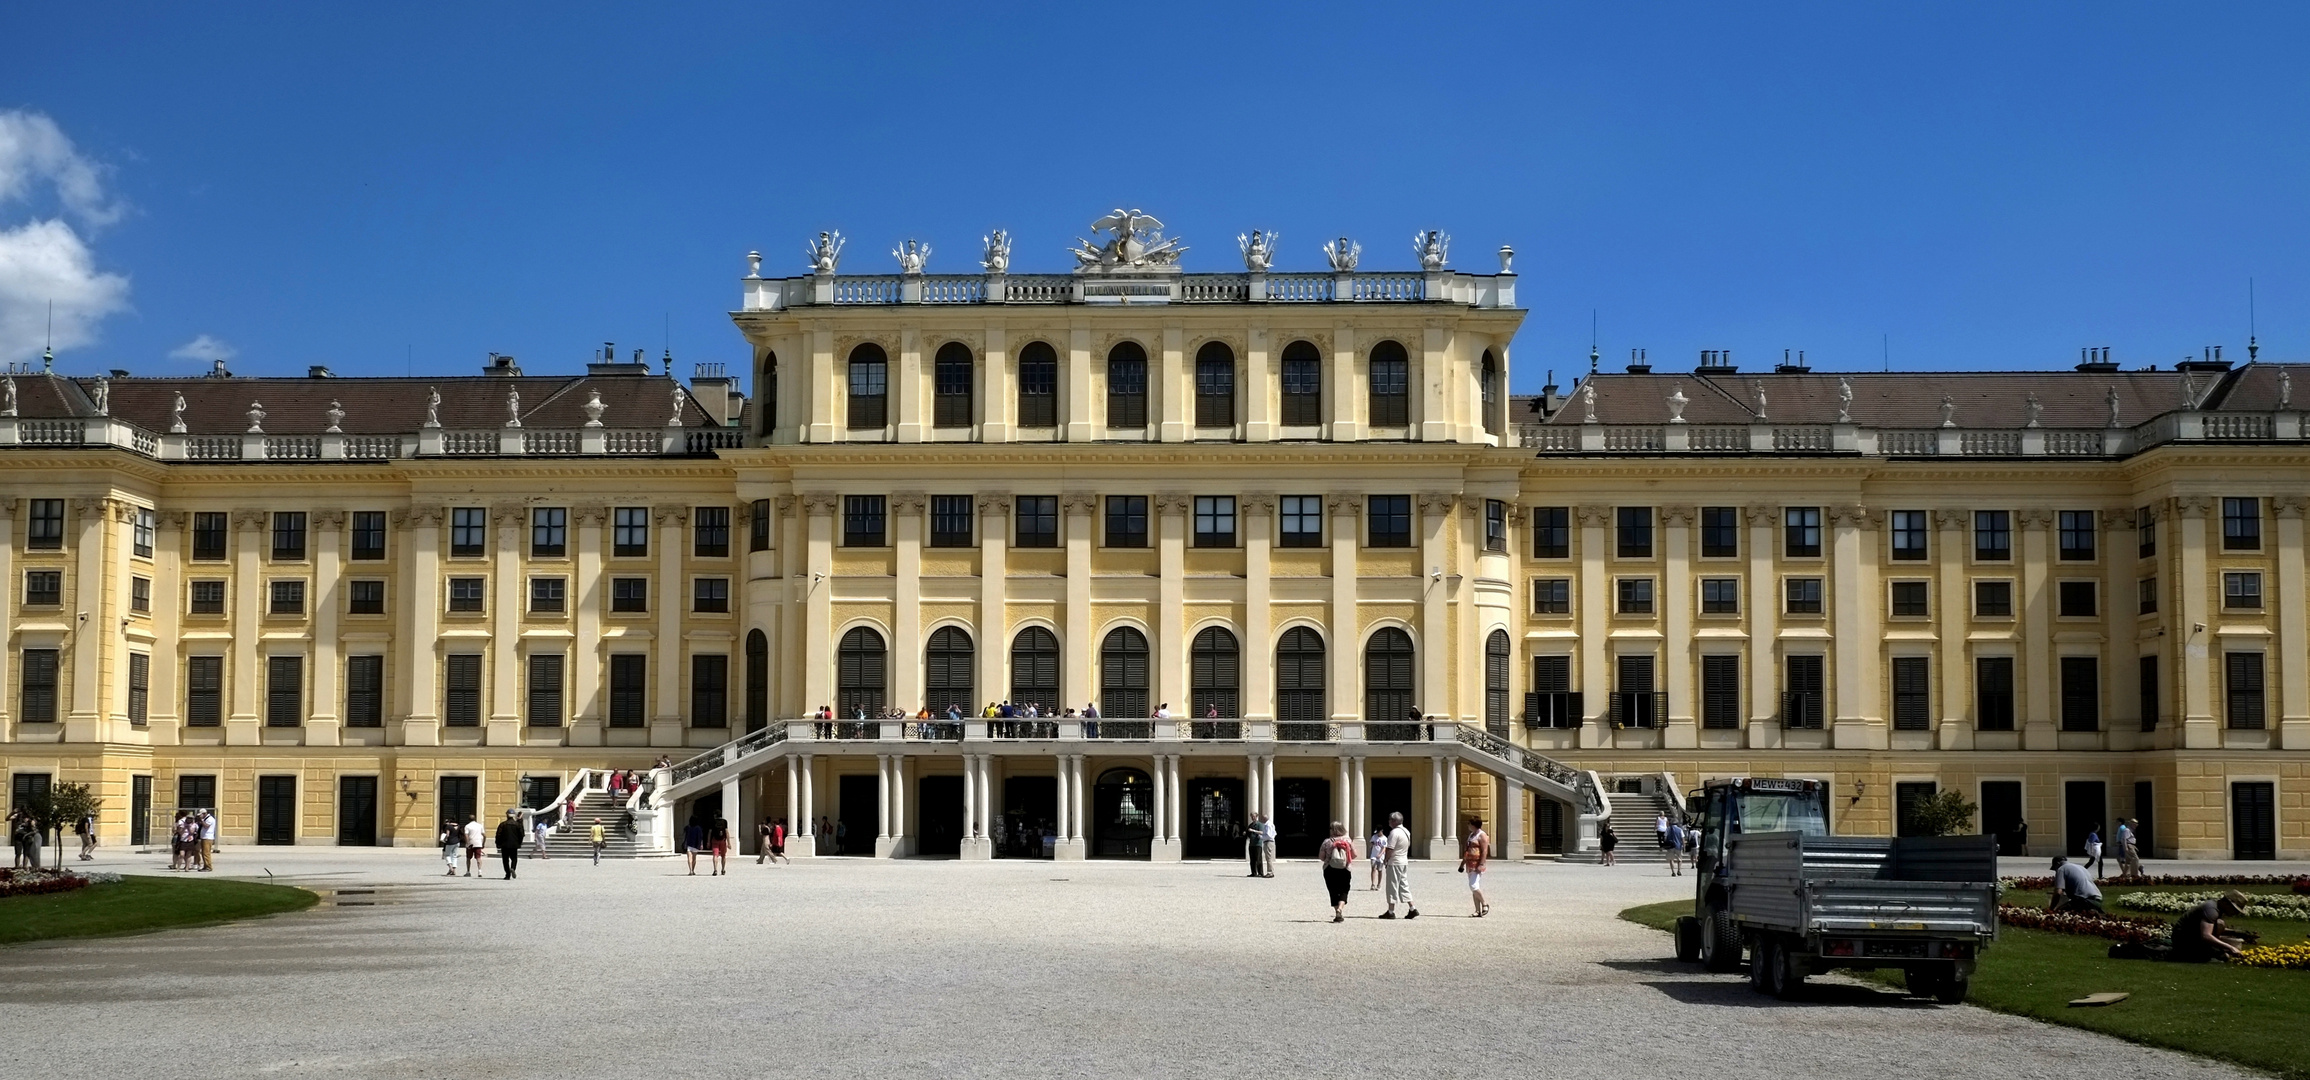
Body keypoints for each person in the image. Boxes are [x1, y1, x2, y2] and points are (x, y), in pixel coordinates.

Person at [2168, 891, 2250, 963]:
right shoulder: (2211, 910)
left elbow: (2213, 927)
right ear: (2226, 904)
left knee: (2220, 924)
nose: (2235, 913)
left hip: (2193, 935)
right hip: (2183, 939)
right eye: (2235, 910)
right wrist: (2230, 948)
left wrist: (2236, 933)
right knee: (2221, 957)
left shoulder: (2216, 907)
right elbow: (2206, 936)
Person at [1380, 811, 1418, 919]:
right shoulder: (1406, 831)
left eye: (1390, 820)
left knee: (1392, 886)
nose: (1389, 822)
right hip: (1403, 861)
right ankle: (1412, 908)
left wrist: (1386, 860)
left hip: (1395, 862)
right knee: (1403, 885)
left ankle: (1391, 911)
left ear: (1394, 821)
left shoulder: (1394, 833)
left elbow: (1390, 848)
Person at [1319, 821, 1358, 922]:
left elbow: (1321, 857)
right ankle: (1340, 909)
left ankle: (1337, 911)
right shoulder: (1348, 841)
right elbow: (1354, 855)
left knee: (1333, 890)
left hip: (1330, 869)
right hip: (1345, 869)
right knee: (1344, 889)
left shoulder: (1327, 842)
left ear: (1333, 830)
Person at [1460, 816, 1491, 917]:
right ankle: (1477, 910)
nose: (1468, 825)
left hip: (1477, 864)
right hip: (1470, 864)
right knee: (1474, 887)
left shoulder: (1482, 835)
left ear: (1473, 825)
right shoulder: (1471, 835)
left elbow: (1484, 850)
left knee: (1473, 886)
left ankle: (1485, 904)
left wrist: (1481, 864)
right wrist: (1462, 864)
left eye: (1469, 824)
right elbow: (1467, 850)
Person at [494, 810, 525, 880]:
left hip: (504, 845)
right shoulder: (517, 825)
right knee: (514, 858)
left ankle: (507, 874)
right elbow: (521, 834)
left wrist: (498, 843)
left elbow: (498, 835)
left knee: (505, 860)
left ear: (507, 815)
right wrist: (519, 843)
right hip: (514, 845)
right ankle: (513, 868)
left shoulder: (502, 824)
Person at [1262, 813, 1278, 877]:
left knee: (1268, 858)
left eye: (1262, 818)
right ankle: (1270, 871)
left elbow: (1268, 835)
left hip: (1268, 841)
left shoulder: (1267, 825)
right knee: (1269, 857)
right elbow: (1275, 833)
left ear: (1265, 819)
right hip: (1271, 841)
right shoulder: (1271, 824)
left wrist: (1261, 837)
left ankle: (1270, 872)